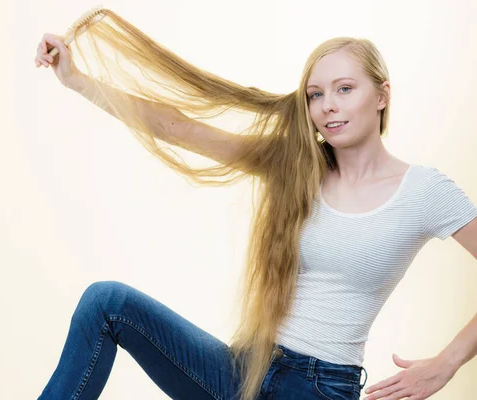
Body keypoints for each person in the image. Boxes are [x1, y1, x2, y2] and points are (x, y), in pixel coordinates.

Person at [33, 22, 477, 400]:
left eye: (345, 89)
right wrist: (76, 80)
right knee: (107, 302)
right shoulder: (297, 167)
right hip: (244, 369)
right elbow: (178, 127)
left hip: (318, 387)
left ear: (381, 96)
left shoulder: (423, 191)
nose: (328, 106)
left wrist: (446, 364)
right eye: (315, 94)